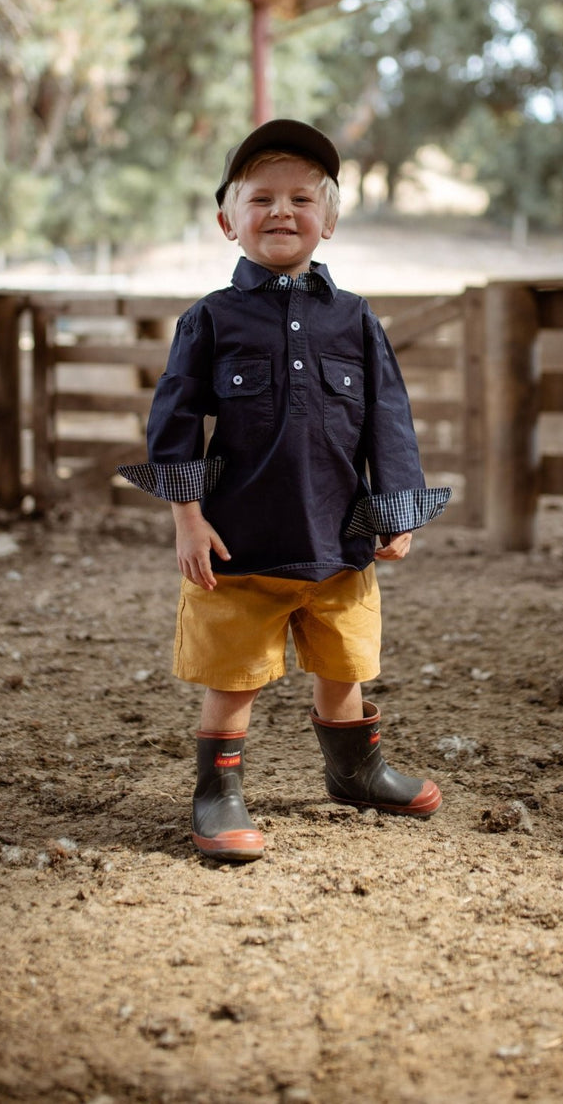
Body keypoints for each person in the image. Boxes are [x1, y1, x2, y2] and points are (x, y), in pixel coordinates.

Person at [118, 120, 451, 861]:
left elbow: (388, 420)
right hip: (238, 545)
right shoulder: (210, 319)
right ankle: (218, 791)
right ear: (226, 219)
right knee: (232, 677)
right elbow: (173, 424)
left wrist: (395, 507)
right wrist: (187, 519)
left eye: (302, 197)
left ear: (328, 220)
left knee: (344, 665)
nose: (281, 211)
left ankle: (356, 769)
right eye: (260, 197)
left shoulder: (356, 318)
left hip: (339, 543)